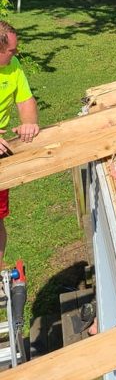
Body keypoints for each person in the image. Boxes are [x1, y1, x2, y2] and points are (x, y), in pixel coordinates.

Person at [0, 21, 39, 266]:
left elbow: (25, 101)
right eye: (12, 50)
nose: (16, 53)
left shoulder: (12, 66)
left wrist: (29, 124)